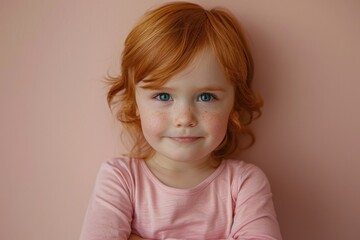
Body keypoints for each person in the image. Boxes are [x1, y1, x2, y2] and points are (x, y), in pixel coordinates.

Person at [80, 2, 282, 240]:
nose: (185, 118)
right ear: (135, 104)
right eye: (163, 96)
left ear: (234, 106)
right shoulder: (121, 178)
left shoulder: (244, 184)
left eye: (206, 97)